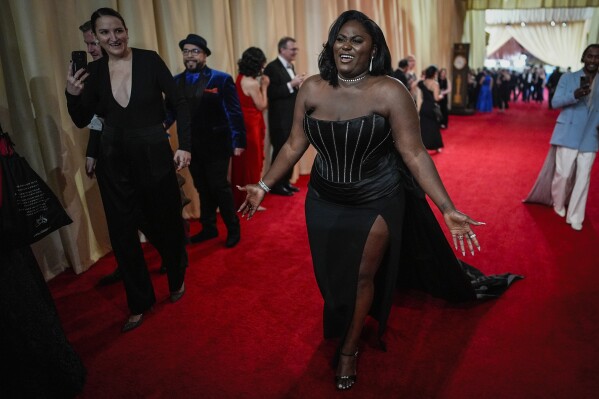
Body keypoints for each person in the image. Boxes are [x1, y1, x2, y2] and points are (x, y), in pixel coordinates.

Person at [237, 10, 520, 391]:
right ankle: (347, 323)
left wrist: (447, 207)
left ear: (373, 49)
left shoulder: (390, 90)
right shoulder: (312, 87)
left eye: (357, 40)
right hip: (323, 196)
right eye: (341, 38)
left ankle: (350, 349)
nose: (347, 46)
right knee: (331, 276)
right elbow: (292, 145)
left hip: (377, 197)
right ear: (331, 43)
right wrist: (264, 185)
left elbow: (415, 154)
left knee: (360, 275)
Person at [65, 7, 189, 332]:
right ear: (96, 37)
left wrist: (185, 145)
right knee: (123, 233)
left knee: (165, 223)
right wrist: (72, 95)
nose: (113, 37)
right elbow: (82, 119)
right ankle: (139, 301)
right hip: (113, 160)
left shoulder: (149, 60)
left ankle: (176, 276)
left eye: (117, 30)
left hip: (153, 154)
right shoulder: (92, 72)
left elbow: (179, 102)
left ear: (126, 31)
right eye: (104, 33)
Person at [168, 34, 245, 248]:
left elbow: (234, 111)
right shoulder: (175, 82)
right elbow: (170, 112)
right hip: (191, 146)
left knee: (219, 186)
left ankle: (233, 228)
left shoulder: (220, 79)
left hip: (218, 144)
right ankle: (209, 228)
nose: (190, 55)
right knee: (202, 186)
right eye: (186, 51)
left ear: (204, 55)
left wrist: (238, 140)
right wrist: (158, 130)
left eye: (195, 51)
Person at [525, 44, 599, 231]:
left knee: (583, 178)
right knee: (563, 174)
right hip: (568, 132)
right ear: (583, 57)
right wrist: (574, 95)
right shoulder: (569, 78)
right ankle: (558, 203)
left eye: (597, 57)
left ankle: (575, 215)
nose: (593, 60)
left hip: (591, 135)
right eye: (589, 56)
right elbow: (555, 101)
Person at [263, 37, 306, 196]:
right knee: (281, 151)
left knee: (291, 151)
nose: (295, 51)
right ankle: (276, 185)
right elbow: (270, 93)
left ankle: (286, 181)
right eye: (292, 49)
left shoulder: (290, 66)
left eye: (296, 49)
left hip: (291, 118)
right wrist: (291, 84)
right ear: (282, 50)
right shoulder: (272, 68)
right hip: (279, 119)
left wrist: (296, 86)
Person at [231, 47, 270, 209]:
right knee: (252, 163)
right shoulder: (253, 83)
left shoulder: (239, 78)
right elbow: (262, 105)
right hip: (251, 126)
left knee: (242, 164)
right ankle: (251, 200)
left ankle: (241, 198)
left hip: (242, 125)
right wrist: (265, 86)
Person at [418, 65, 444, 152]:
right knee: (433, 127)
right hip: (431, 107)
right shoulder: (435, 84)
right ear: (434, 73)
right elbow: (436, 98)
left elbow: (422, 96)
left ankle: (423, 146)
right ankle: (436, 146)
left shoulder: (424, 82)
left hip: (424, 106)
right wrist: (441, 96)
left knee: (424, 126)